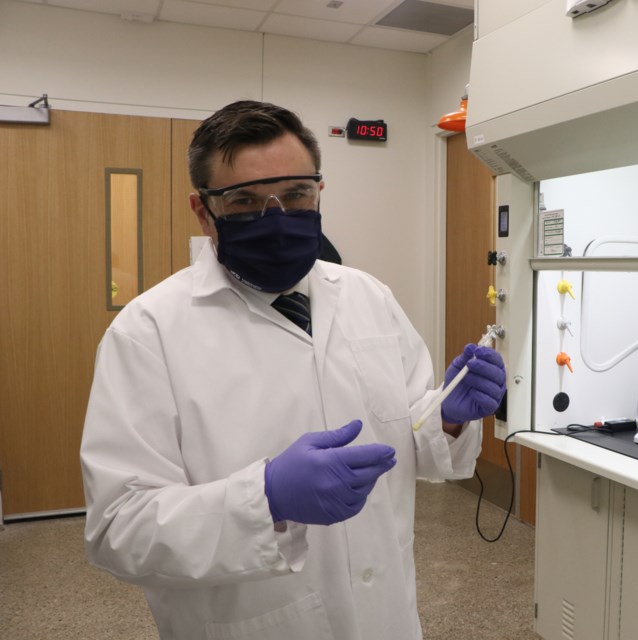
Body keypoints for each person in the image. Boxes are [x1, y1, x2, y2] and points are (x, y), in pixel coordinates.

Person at [80, 100, 506, 640]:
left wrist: (444, 416)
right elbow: (119, 528)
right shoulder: (148, 332)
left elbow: (404, 439)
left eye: (297, 194)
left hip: (386, 618)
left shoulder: (367, 296)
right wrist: (266, 499)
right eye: (245, 201)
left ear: (318, 191)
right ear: (202, 210)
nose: (277, 217)